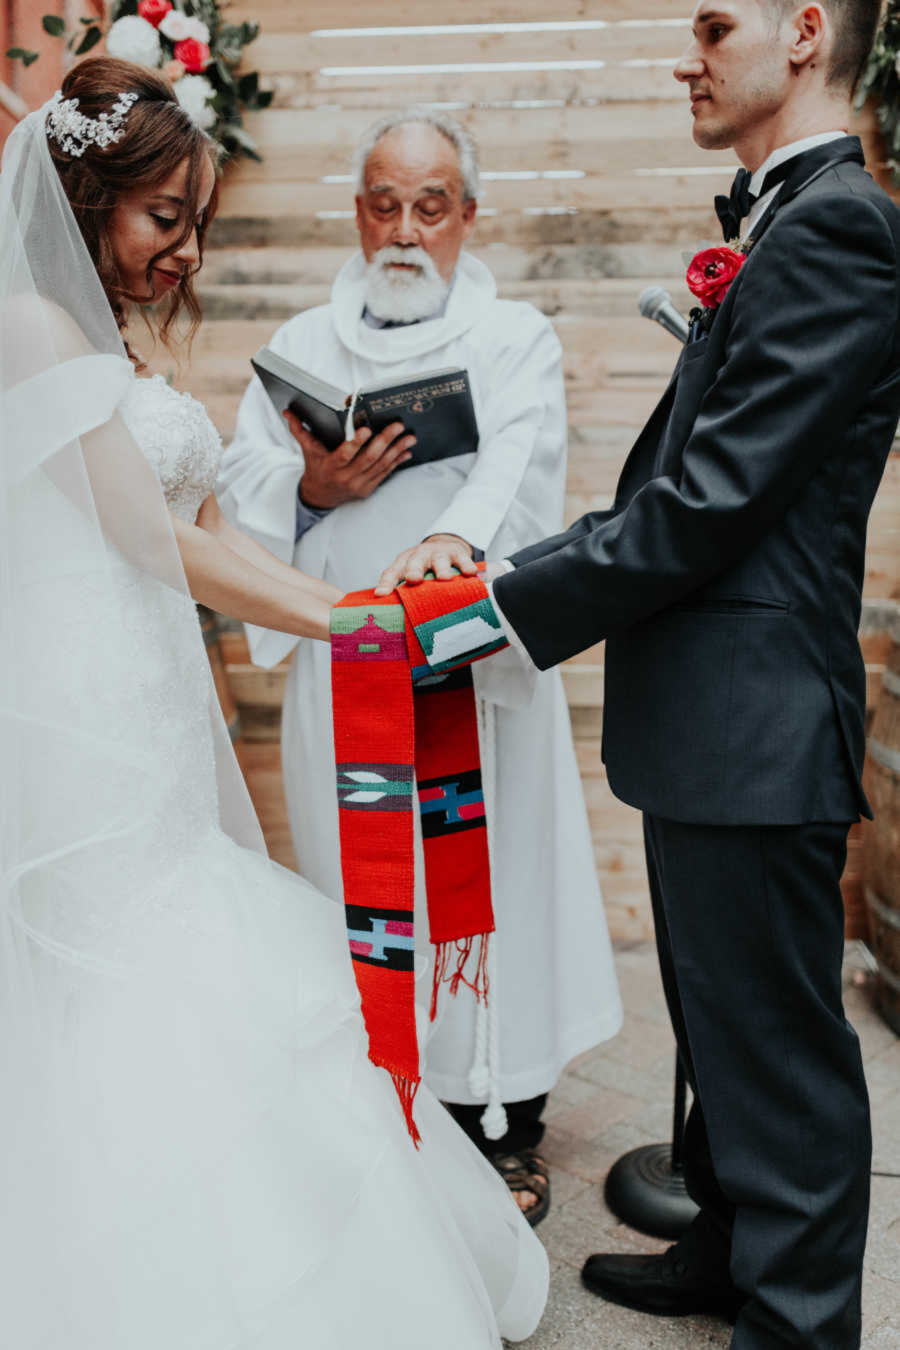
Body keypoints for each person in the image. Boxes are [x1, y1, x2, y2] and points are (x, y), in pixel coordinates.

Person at [0, 57, 549, 1350]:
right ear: (87, 199)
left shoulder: (105, 330)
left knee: (191, 919)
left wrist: (351, 610)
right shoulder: (30, 324)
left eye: (195, 221)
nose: (183, 250)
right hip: (80, 703)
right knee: (132, 965)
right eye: (163, 218)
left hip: (143, 685)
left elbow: (196, 523)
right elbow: (154, 541)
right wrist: (355, 620)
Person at [377, 1, 898, 1346]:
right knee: (720, 1015)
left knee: (782, 1060)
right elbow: (688, 490)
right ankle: (727, 1244)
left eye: (716, 22)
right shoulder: (785, 218)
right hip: (716, 716)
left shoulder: (839, 225)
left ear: (802, 32)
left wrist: (492, 603)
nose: (690, 50)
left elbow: (703, 504)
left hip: (760, 713)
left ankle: (796, 1317)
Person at [217, 108, 622, 1221]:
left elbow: (524, 466)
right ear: (358, 212)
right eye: (384, 205)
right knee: (364, 881)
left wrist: (457, 548)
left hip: (477, 678)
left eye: (430, 206)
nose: (405, 230)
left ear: (467, 217)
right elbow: (243, 497)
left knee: (494, 889)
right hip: (345, 667)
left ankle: (505, 1120)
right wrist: (314, 492)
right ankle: (382, 1101)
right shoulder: (299, 344)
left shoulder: (515, 337)